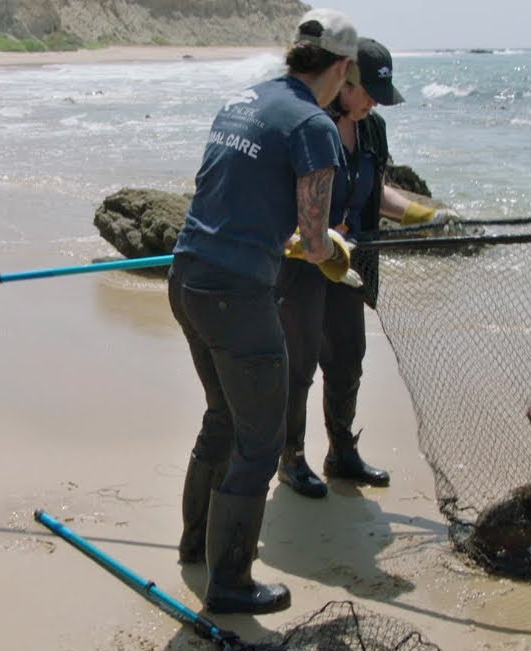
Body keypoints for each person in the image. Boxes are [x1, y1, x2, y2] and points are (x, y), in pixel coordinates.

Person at [169, 9, 359, 615]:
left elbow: (227, 190)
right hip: (235, 294)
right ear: (342, 67)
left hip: (187, 274)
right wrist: (335, 251)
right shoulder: (314, 125)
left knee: (222, 416)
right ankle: (230, 582)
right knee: (261, 436)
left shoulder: (243, 100)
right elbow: (314, 238)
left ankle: (194, 546)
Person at [275, 38, 460, 499]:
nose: (375, 102)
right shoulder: (310, 126)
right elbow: (284, 195)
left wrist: (423, 214)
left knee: (348, 358)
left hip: (350, 264)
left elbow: (378, 191)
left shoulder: (372, 129)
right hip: (302, 263)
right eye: (370, 92)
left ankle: (341, 453)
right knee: (297, 365)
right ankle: (290, 458)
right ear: (345, 80)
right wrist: (314, 232)